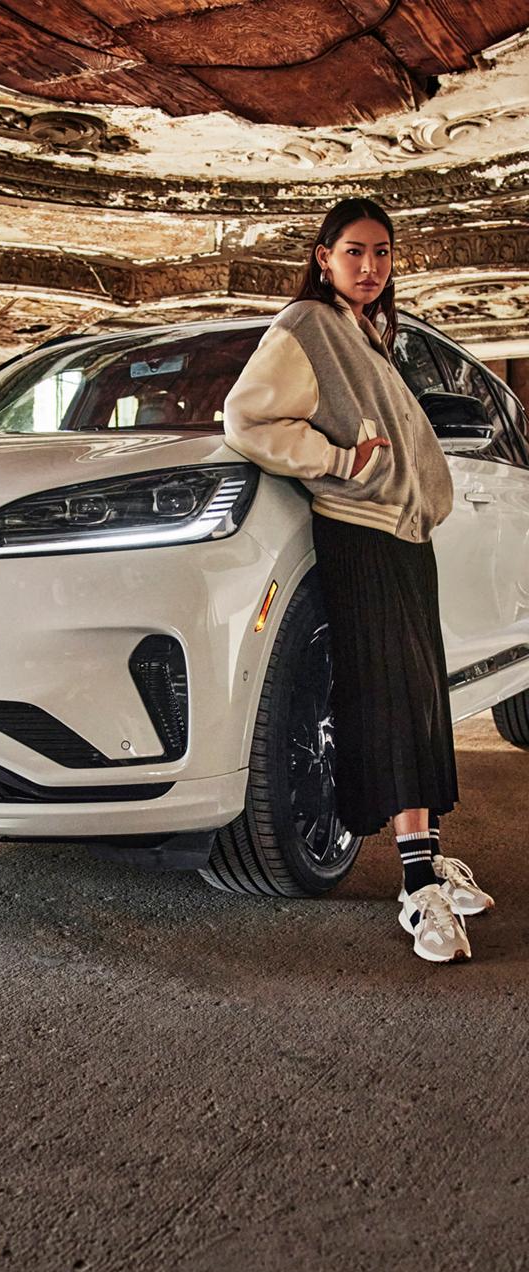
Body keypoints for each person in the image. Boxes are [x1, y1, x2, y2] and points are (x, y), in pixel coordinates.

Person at [222, 196, 494, 965]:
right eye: (354, 251)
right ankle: (416, 885)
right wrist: (340, 460)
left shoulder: (368, 334)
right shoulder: (308, 326)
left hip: (403, 535)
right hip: (361, 530)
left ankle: (431, 853)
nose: (370, 266)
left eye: (381, 253)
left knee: (421, 698)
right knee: (388, 696)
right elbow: (246, 418)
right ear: (323, 257)